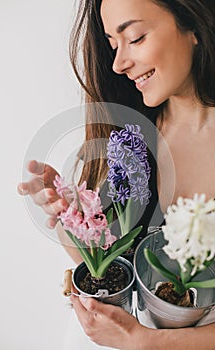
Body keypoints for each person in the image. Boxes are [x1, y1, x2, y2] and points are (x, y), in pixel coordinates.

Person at [18, 0, 215, 348]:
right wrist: (70, 217)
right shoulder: (130, 136)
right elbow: (109, 269)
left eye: (135, 37)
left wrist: (144, 342)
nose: (119, 63)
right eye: (112, 45)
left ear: (194, 25)